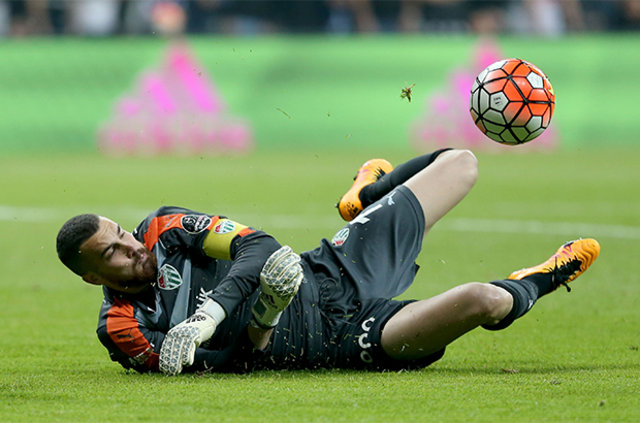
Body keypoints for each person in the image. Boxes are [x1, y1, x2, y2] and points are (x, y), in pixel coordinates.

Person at [56, 148, 601, 375]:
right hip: (346, 339)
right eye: (112, 253)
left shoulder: (163, 230)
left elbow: (259, 247)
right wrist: (262, 316)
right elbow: (233, 363)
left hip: (333, 271)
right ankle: (539, 280)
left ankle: (364, 197)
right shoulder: (122, 325)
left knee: (460, 163)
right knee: (484, 300)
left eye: (121, 234)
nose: (132, 247)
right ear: (92, 277)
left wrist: (211, 314)